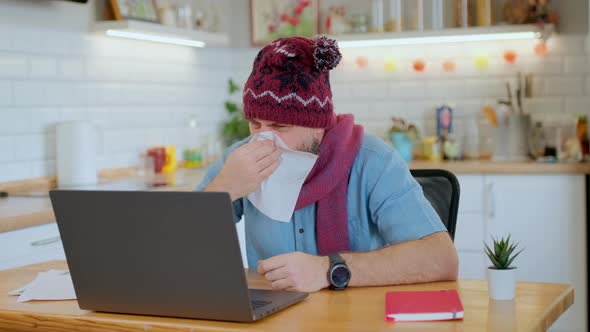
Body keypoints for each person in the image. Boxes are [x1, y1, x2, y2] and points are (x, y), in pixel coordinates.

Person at [196, 36, 458, 293]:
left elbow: (442, 259)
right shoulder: (241, 159)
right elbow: (175, 247)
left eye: (280, 126)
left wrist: (328, 269)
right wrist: (225, 187)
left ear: (318, 125)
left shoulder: (374, 162)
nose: (263, 138)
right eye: (255, 123)